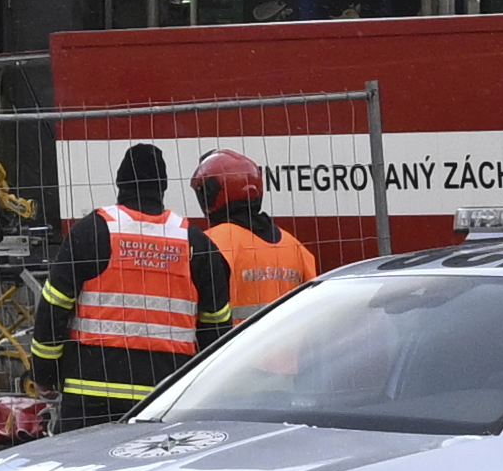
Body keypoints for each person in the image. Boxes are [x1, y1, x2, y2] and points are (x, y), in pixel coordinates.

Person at [31, 141, 231, 428]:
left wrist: (45, 374)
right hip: (165, 397)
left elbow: (53, 309)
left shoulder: (92, 231)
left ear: (120, 183)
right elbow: (216, 326)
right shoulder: (195, 243)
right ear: (162, 187)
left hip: (91, 394)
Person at [191, 149, 320, 323]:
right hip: (289, 349)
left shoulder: (211, 241)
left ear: (211, 193)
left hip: (235, 348)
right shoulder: (295, 247)